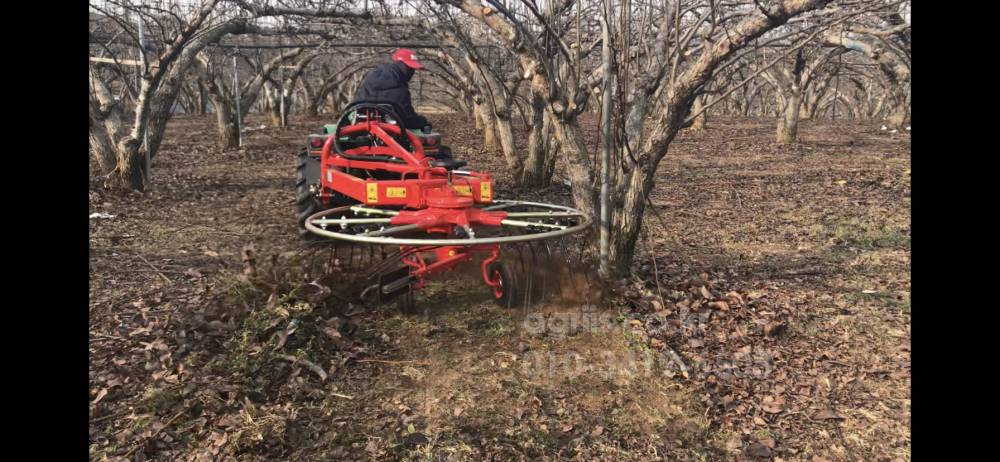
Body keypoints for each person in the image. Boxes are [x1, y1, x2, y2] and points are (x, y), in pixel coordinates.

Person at [352, 48, 430, 130]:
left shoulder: (369, 78)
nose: (412, 71)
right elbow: (408, 120)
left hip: (362, 129)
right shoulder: (401, 90)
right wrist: (423, 121)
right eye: (410, 68)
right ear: (402, 66)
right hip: (391, 135)